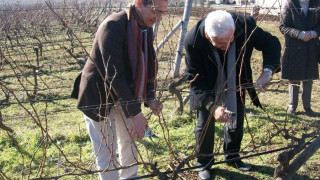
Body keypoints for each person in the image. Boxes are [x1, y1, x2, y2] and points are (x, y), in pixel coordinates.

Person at [71, 0, 168, 179]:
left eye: (163, 12)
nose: (159, 17)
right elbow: (115, 74)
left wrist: (150, 97)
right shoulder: (113, 26)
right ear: (140, 3)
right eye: (156, 11)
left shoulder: (145, 27)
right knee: (106, 150)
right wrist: (136, 114)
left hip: (125, 94)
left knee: (129, 144)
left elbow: (148, 62)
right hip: (98, 95)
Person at [184, 10, 281, 179]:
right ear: (207, 36)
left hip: (236, 77)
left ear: (234, 29)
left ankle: (233, 156)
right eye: (221, 43)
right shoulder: (193, 40)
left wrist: (268, 71)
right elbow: (194, 80)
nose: (227, 46)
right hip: (207, 82)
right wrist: (213, 107)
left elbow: (271, 43)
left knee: (237, 115)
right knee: (205, 121)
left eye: (230, 39)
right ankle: (204, 163)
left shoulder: (245, 25)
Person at [279, 0, 320, 116]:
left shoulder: (316, 4)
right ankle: (292, 105)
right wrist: (300, 34)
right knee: (294, 78)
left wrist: (313, 33)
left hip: (311, 47)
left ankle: (307, 107)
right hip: (294, 48)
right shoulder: (290, 4)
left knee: (309, 78)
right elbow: (283, 27)